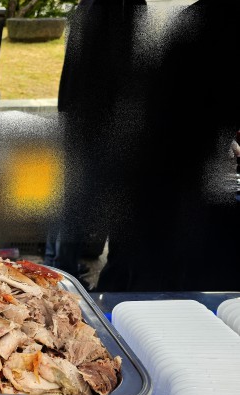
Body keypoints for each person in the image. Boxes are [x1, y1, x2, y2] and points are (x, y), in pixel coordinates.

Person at [96, 0, 240, 291]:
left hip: (155, 177)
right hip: (170, 184)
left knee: (132, 273)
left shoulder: (201, 18)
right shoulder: (219, 25)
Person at [44, 0, 148, 289]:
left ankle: (58, 265)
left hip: (78, 115)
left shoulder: (87, 5)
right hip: (102, 122)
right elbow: (128, 68)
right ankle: (65, 272)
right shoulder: (124, 6)